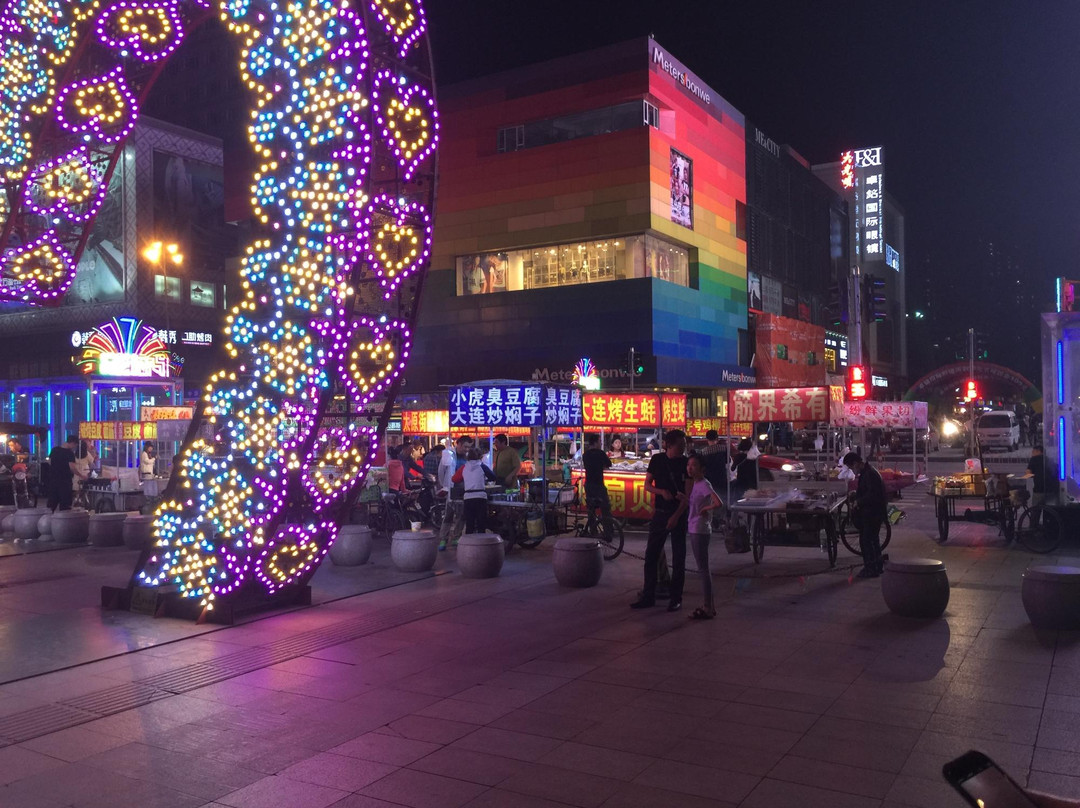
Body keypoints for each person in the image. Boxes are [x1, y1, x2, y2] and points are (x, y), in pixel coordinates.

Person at [631, 429, 689, 612]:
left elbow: (688, 495)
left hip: (679, 514)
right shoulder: (657, 460)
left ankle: (676, 598)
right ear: (669, 445)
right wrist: (661, 492)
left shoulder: (686, 463)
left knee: (679, 557)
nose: (684, 448)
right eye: (681, 445)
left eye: (684, 445)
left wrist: (676, 516)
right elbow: (647, 485)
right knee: (651, 556)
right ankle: (648, 595)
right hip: (660, 512)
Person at [685, 453, 722, 620]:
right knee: (703, 568)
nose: (690, 468)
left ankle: (708, 607)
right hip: (695, 527)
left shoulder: (704, 484)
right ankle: (709, 606)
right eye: (688, 465)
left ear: (702, 469)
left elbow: (718, 502)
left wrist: (705, 510)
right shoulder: (696, 483)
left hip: (699, 529)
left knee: (703, 569)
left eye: (693, 465)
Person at [843, 451, 887, 578]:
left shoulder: (869, 474)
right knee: (873, 540)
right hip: (874, 512)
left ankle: (871, 569)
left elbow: (872, 495)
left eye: (851, 467)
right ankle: (877, 567)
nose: (852, 470)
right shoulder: (867, 472)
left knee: (867, 541)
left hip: (872, 513)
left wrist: (858, 501)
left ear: (856, 463)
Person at [438, 436, 473, 550]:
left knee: (461, 515)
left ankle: (456, 538)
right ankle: (443, 539)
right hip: (451, 489)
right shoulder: (449, 455)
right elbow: (441, 471)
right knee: (448, 515)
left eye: (469, 447)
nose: (467, 449)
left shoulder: (468, 457)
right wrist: (445, 486)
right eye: (465, 446)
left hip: (464, 489)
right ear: (458, 444)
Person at [454, 447, 497, 534]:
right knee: (481, 524)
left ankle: (470, 545)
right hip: (481, 497)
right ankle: (480, 545)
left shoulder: (464, 467)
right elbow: (493, 477)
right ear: (480, 457)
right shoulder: (482, 466)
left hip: (468, 498)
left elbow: (454, 479)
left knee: (470, 524)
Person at [47, 435, 84, 512]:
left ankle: (47, 520)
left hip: (53, 480)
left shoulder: (54, 450)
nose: (74, 447)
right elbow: (72, 468)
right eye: (75, 445)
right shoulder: (70, 453)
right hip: (65, 481)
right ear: (73, 443)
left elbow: (49, 462)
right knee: (65, 505)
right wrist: (81, 475)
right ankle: (63, 522)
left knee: (51, 504)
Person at [582, 432, 612, 522]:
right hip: (598, 485)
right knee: (605, 508)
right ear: (595, 443)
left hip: (588, 485)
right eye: (599, 441)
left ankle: (592, 530)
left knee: (591, 509)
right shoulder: (601, 453)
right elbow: (609, 464)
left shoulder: (585, 455)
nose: (601, 443)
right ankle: (608, 531)